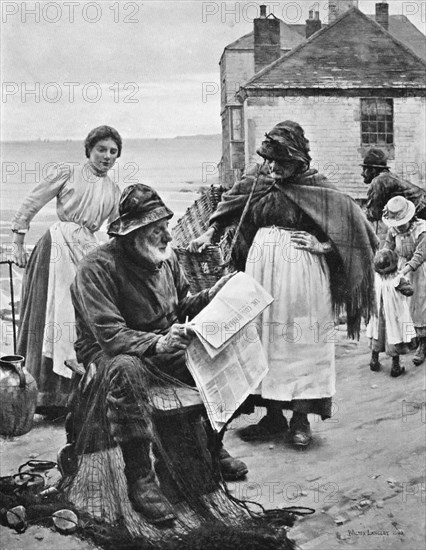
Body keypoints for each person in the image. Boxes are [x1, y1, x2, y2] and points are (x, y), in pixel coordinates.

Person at [189, 121, 378, 447]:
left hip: (302, 275)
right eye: (270, 160)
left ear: (298, 161)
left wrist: (325, 246)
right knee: (263, 339)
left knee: (300, 341)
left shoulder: (318, 186)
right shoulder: (257, 180)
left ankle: (301, 419)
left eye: (281, 162)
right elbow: (229, 207)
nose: (274, 168)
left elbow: (355, 229)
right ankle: (272, 415)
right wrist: (210, 232)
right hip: (261, 270)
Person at [69, 184, 248, 524]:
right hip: (112, 353)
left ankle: (212, 444)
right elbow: (110, 336)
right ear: (133, 233)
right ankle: (141, 477)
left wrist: (213, 294)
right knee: (126, 368)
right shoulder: (96, 268)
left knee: (221, 353)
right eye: (156, 229)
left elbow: (182, 306)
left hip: (159, 345)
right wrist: (159, 344)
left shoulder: (166, 258)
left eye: (166, 225)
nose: (167, 235)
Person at [11, 125, 122, 415]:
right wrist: (18, 240)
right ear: (89, 150)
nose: (107, 156)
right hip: (57, 246)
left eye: (113, 152)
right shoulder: (68, 172)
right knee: (53, 311)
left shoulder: (113, 190)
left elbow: (119, 229)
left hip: (87, 249)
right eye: (101, 149)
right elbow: (34, 200)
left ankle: (74, 396)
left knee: (81, 316)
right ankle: (43, 395)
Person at [381, 196, 426, 366]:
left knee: (420, 306)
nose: (399, 226)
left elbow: (420, 255)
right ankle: (411, 339)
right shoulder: (393, 230)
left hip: (419, 271)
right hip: (401, 268)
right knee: (404, 306)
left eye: (402, 222)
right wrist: (383, 262)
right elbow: (387, 248)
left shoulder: (421, 229)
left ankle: (423, 344)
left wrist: (404, 271)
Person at [366, 248, 414, 377]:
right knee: (394, 337)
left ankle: (374, 360)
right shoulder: (398, 279)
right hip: (394, 316)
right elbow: (409, 291)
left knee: (377, 336)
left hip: (378, 315)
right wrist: (407, 283)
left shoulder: (376, 278)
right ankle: (395, 367)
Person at [361, 147, 426, 223]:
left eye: (364, 169)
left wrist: (358, 214)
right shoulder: (386, 177)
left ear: (373, 170)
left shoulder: (379, 181)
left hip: (421, 210)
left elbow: (374, 213)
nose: (362, 174)